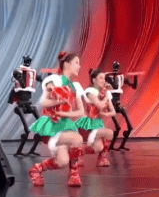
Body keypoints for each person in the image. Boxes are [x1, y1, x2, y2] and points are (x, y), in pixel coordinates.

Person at [28, 51, 87, 186]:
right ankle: (74, 174)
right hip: (57, 129)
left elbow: (81, 111)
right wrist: (58, 102)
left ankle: (37, 169)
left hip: (69, 128)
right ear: (66, 64)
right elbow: (44, 103)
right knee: (77, 139)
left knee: (62, 162)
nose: (79, 66)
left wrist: (67, 114)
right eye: (76, 63)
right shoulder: (54, 81)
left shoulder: (75, 87)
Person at [78, 69, 116, 167]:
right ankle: (102, 158)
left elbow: (113, 111)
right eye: (101, 78)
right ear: (94, 80)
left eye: (104, 78)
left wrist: (105, 114)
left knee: (98, 147)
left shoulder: (105, 94)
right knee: (109, 133)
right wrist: (106, 96)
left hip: (98, 123)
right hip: (89, 123)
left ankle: (78, 152)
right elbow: (100, 105)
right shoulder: (90, 92)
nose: (103, 80)